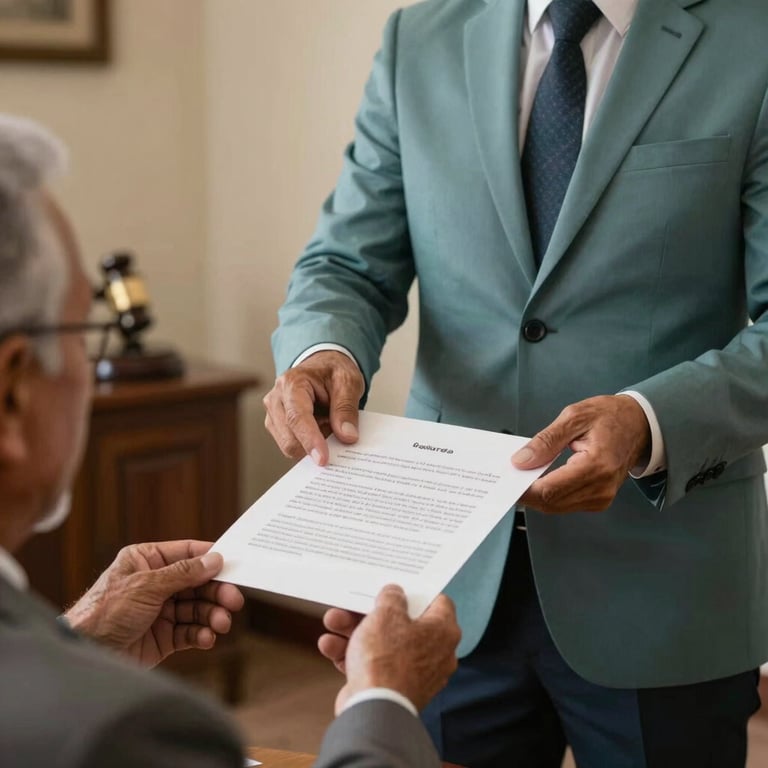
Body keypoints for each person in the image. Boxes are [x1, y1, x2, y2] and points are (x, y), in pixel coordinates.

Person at [264, 0, 768, 765]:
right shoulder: (419, 38)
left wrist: (647, 419)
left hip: (666, 587)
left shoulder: (753, 37)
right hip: (447, 592)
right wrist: (320, 351)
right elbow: (346, 265)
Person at [0, 113, 461, 768]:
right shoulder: (131, 731)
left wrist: (78, 642)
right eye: (80, 331)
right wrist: (380, 700)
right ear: (14, 391)